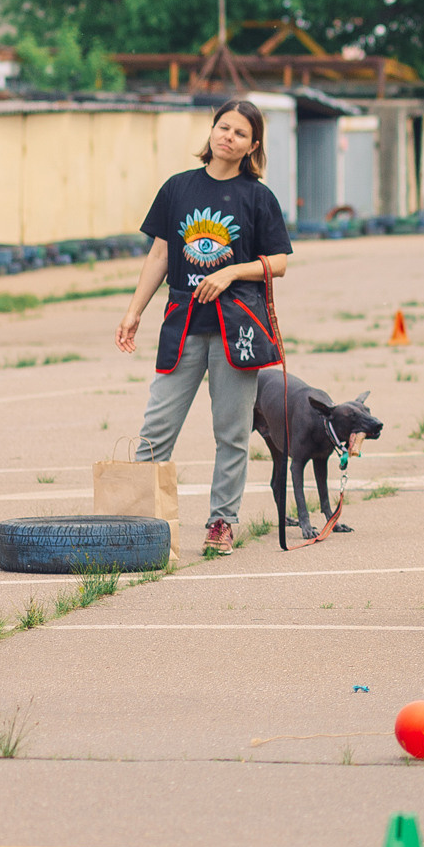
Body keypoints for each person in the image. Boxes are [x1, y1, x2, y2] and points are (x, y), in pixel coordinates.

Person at [116, 99, 292, 555]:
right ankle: (142, 521)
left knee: (231, 431)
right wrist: (135, 309)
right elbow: (158, 254)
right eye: (222, 127)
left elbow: (280, 262)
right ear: (211, 130)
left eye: (239, 133)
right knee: (157, 426)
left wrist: (232, 272)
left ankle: (221, 522)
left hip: (238, 327)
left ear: (252, 146)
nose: (227, 136)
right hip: (183, 323)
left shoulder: (259, 197)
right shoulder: (178, 189)